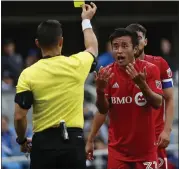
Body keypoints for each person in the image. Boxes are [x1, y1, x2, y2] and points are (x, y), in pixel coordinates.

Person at [14, 2, 98, 169]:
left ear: (37, 43)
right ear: (61, 41)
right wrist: (86, 20)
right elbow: (92, 47)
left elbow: (19, 116)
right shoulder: (76, 64)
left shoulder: (28, 74)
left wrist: (22, 140)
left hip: (43, 145)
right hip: (73, 143)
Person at [87, 28, 163, 169]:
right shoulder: (107, 73)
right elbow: (103, 110)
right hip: (118, 151)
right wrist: (99, 90)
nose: (119, 51)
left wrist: (142, 85)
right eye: (115, 46)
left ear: (135, 49)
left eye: (124, 46)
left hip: (145, 151)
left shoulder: (150, 69)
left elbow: (158, 103)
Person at [126, 24, 174, 169]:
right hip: (128, 140)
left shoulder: (160, 64)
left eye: (139, 38)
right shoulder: (117, 68)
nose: (135, 42)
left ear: (145, 42)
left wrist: (166, 131)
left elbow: (170, 99)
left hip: (155, 138)